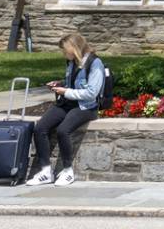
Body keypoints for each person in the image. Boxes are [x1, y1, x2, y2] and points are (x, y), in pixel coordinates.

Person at [26, 32, 107, 186]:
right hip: (68, 102)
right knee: (40, 128)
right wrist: (60, 84)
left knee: (63, 130)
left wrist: (66, 91)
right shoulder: (71, 62)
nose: (64, 53)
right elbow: (74, 82)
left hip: (86, 106)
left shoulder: (95, 63)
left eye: (65, 50)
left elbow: (92, 93)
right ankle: (45, 172)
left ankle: (68, 171)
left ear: (74, 48)